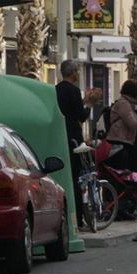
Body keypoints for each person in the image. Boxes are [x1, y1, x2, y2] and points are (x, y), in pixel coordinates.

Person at [55, 60, 102, 229]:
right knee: (77, 177)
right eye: (77, 71)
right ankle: (78, 217)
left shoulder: (56, 89)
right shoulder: (73, 90)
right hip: (74, 138)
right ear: (73, 72)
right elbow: (81, 116)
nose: (78, 74)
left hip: (61, 136)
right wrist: (89, 104)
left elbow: (68, 109)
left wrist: (83, 100)